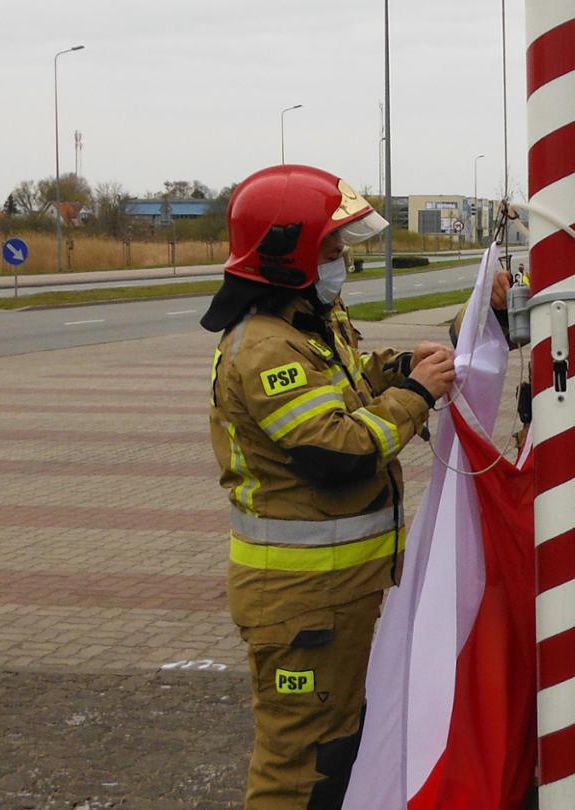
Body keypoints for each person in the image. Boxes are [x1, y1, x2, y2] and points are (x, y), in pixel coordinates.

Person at [203, 164, 455, 809]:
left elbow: (350, 385)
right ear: (287, 255)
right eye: (332, 246)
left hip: (335, 596)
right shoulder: (264, 348)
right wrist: (418, 394)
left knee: (338, 748)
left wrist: (403, 367)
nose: (343, 257)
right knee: (299, 766)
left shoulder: (306, 323)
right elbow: (335, 449)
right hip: (301, 605)